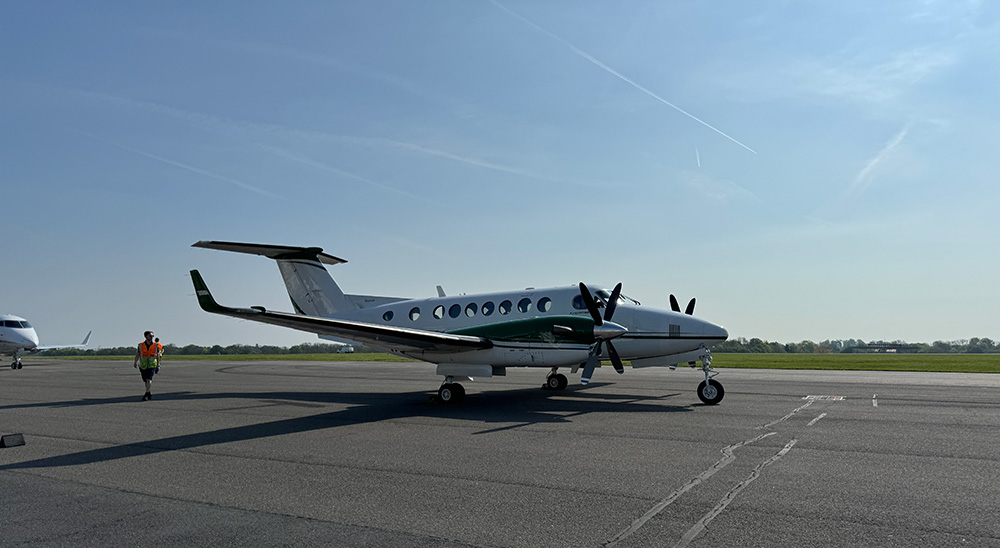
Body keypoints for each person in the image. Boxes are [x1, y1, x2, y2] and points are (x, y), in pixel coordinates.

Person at [134, 331, 162, 401]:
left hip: (152, 365)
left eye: (153, 336)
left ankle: (146, 394)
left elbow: (158, 355)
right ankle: (148, 392)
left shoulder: (156, 345)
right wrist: (135, 362)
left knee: (149, 380)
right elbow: (138, 354)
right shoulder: (140, 345)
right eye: (150, 336)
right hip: (143, 365)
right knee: (145, 380)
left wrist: (158, 365)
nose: (152, 337)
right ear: (146, 337)